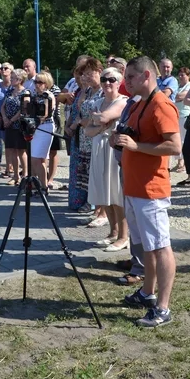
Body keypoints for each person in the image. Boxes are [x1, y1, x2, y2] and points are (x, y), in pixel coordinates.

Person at [112, 56, 181, 328]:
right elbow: (136, 139)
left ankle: (163, 308)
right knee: (147, 247)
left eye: (130, 76)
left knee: (161, 247)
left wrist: (136, 146)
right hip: (134, 187)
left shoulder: (161, 104)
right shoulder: (140, 104)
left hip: (151, 190)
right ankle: (147, 293)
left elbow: (175, 146)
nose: (125, 81)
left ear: (146, 77)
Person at [84, 67, 128, 251]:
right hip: (99, 146)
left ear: (119, 82)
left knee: (117, 194)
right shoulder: (98, 101)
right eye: (104, 79)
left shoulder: (123, 101)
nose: (107, 83)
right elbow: (87, 130)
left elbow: (103, 117)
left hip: (114, 149)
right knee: (104, 192)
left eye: (111, 80)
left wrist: (98, 120)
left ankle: (123, 237)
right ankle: (113, 232)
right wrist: (100, 125)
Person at [74, 57, 104, 219]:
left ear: (99, 72)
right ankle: (95, 207)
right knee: (89, 174)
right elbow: (80, 108)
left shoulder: (103, 91)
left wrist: (87, 121)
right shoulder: (88, 91)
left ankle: (101, 211)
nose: (85, 77)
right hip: (85, 136)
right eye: (84, 74)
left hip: (96, 136)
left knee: (98, 173)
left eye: (89, 74)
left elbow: (101, 115)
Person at [28, 72, 57, 192]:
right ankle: (37, 184)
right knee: (36, 157)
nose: (37, 85)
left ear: (46, 84)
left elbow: (45, 114)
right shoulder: (34, 94)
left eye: (40, 82)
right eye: (36, 82)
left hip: (45, 128)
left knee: (37, 158)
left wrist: (34, 121)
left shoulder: (48, 96)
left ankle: (43, 186)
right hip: (35, 128)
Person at [0, 62, 14, 178]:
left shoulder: (13, 86)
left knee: (10, 143)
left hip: (10, 118)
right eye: (2, 68)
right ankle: (8, 166)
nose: (3, 70)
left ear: (11, 71)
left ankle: (10, 167)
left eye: (6, 68)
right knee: (2, 142)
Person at [170, 67, 190, 173]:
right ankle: (179, 161)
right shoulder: (178, 86)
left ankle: (184, 163)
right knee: (177, 139)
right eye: (180, 75)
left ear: (188, 76)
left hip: (185, 115)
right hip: (176, 116)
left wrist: (175, 96)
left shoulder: (189, 86)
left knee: (183, 140)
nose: (181, 77)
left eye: (183, 75)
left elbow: (181, 96)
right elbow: (176, 96)